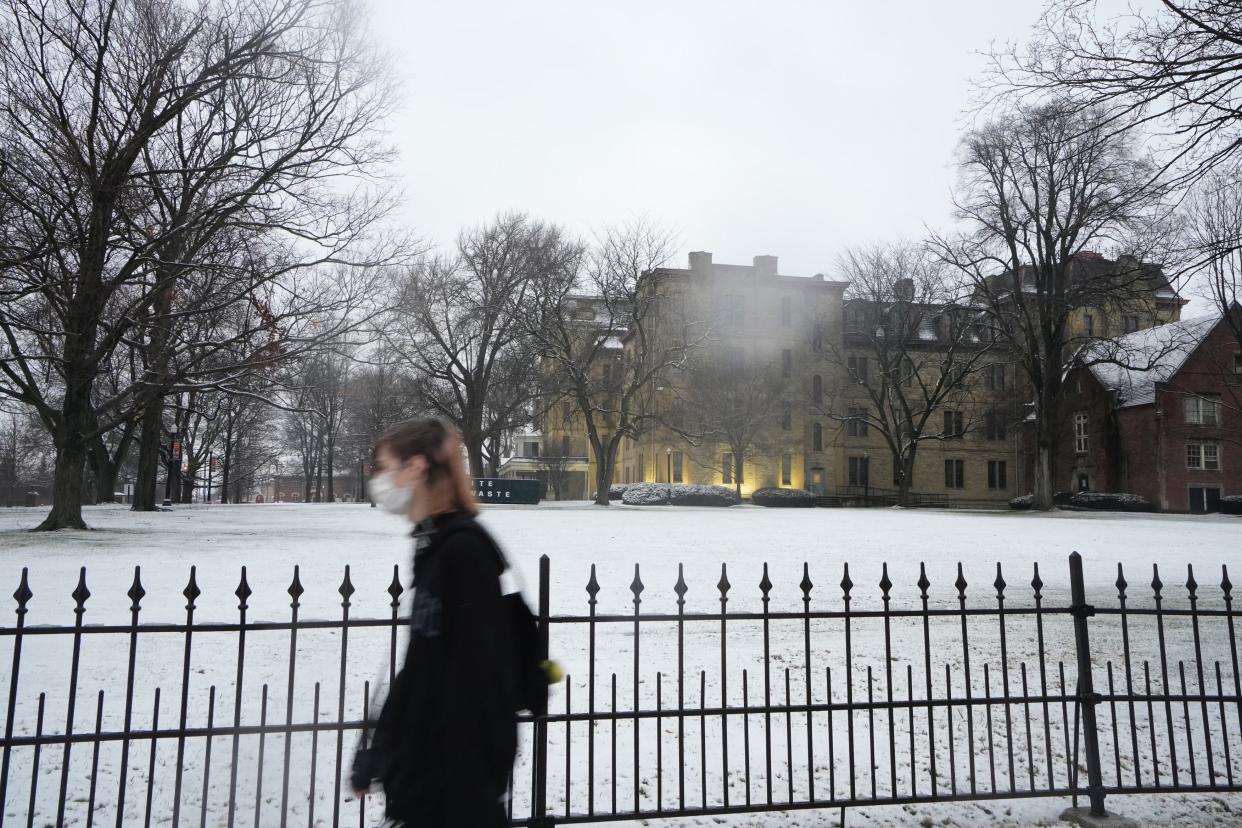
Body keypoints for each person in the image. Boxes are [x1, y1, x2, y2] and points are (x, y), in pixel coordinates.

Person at [351, 418, 517, 827]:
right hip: (428, 787)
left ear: (417, 467)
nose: (379, 480)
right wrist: (378, 753)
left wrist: (450, 792)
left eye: (384, 467)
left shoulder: (463, 551)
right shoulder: (434, 545)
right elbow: (421, 667)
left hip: (453, 795)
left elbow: (478, 684)